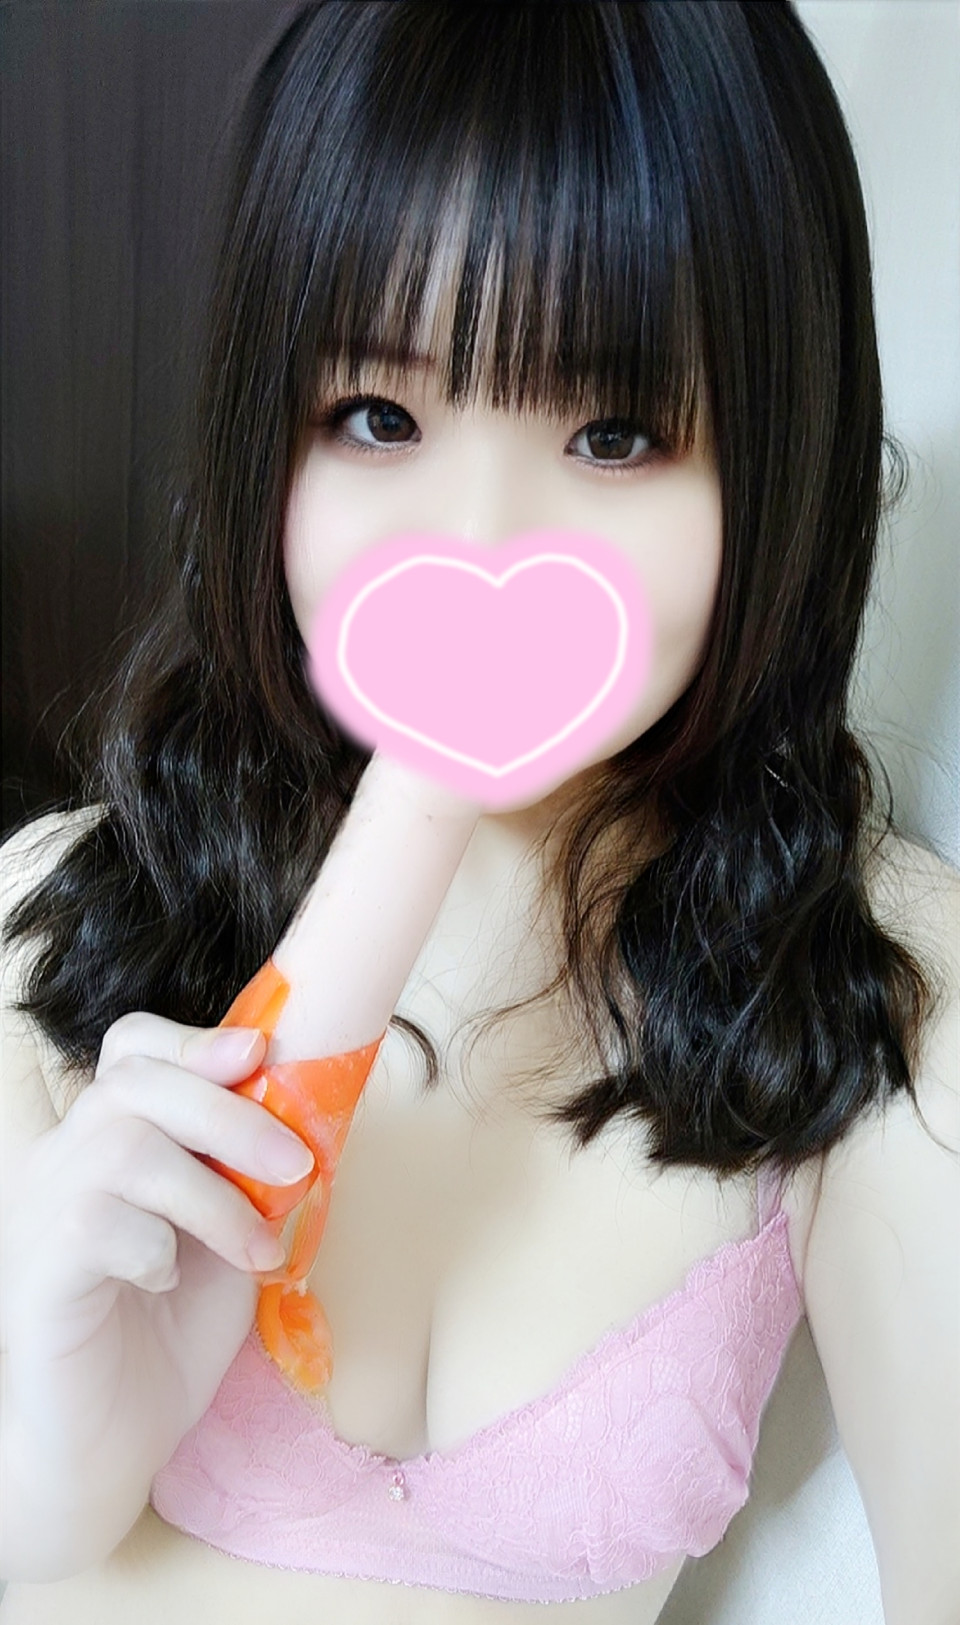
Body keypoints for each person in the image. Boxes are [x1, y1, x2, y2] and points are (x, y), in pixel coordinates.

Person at [1, 2, 957, 1622]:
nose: (482, 544)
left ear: (777, 468)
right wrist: (55, 1443)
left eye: (613, 433)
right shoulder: (55, 915)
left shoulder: (878, 987)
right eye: (378, 416)